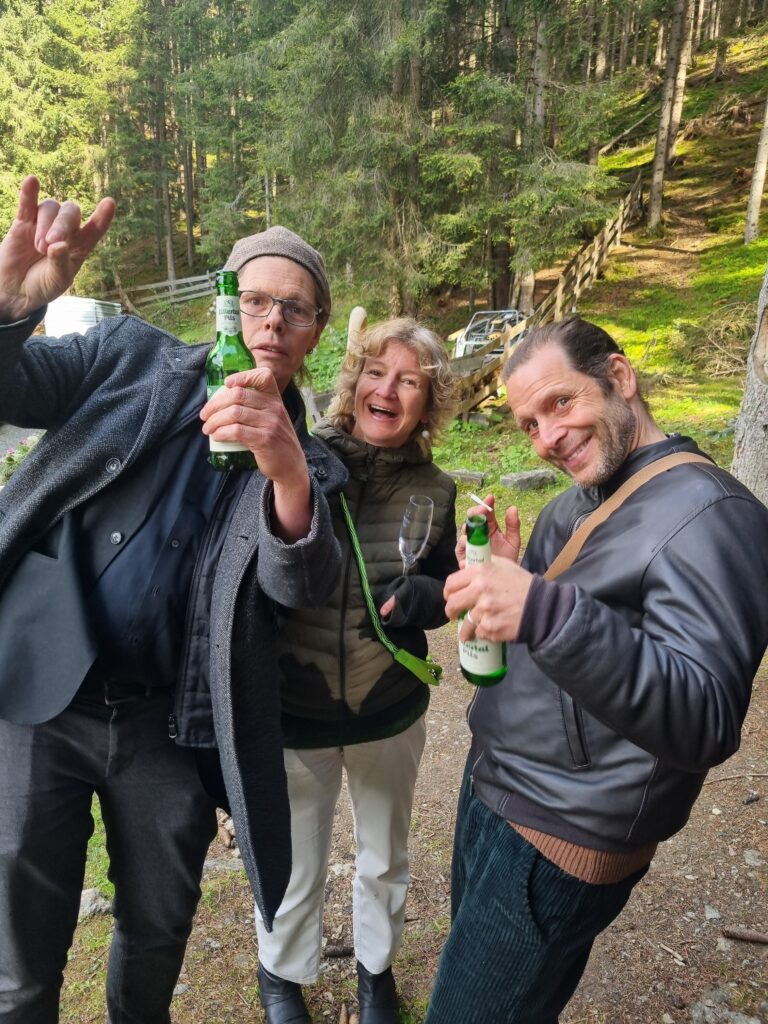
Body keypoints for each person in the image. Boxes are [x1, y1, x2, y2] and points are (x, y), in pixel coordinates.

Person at [0, 175, 347, 1024]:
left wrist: (285, 472)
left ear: (315, 332)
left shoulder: (314, 464)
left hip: (172, 726)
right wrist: (12, 309)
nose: (271, 320)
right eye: (255, 299)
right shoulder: (127, 357)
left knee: (157, 929)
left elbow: (300, 584)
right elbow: (12, 391)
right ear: (226, 306)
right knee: (18, 955)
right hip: (40, 695)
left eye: (294, 309)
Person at [426, 316, 768, 1024]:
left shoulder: (714, 514)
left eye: (561, 403)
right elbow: (564, 642)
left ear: (620, 376)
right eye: (529, 425)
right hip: (494, 783)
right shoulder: (579, 499)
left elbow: (704, 719)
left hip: (560, 832)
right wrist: (513, 585)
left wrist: (543, 609)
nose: (548, 438)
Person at [254, 318, 458, 1024]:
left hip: (387, 706)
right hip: (295, 707)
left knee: (384, 856)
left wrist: (430, 597)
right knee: (292, 858)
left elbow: (446, 587)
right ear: (354, 383)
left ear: (427, 404)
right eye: (376, 373)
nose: (388, 390)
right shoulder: (300, 459)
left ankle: (376, 973)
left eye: (409, 381)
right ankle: (283, 975)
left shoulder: (438, 489)